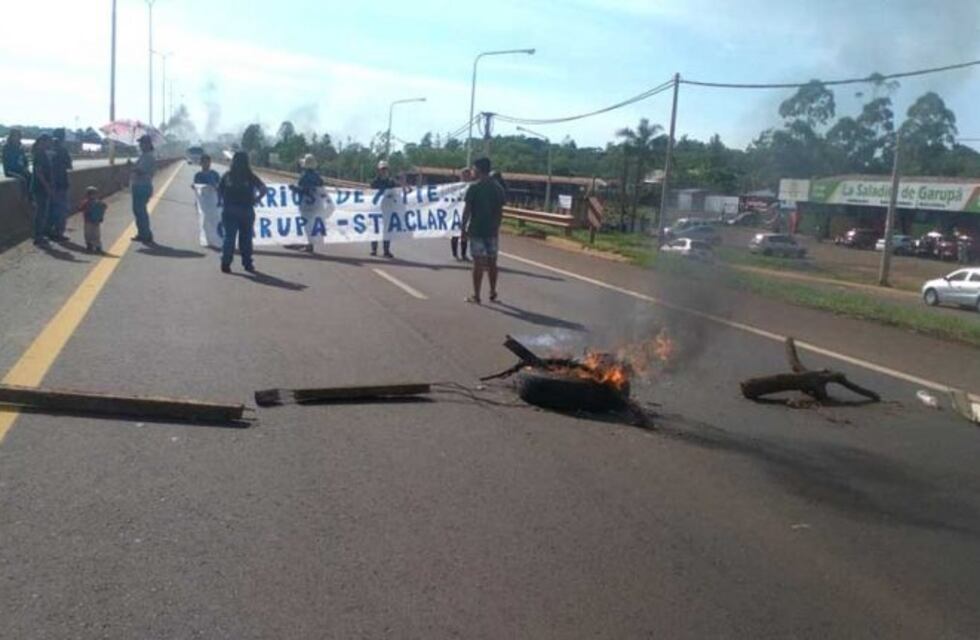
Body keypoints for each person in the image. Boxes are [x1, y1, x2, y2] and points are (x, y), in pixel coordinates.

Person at [461, 157, 505, 304]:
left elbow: (467, 211)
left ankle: (476, 295)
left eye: (473, 169)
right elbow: (500, 211)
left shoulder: (474, 188)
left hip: (477, 231)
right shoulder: (498, 188)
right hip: (492, 231)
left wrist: (463, 230)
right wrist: (496, 226)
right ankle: (492, 291)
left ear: (478, 170)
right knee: (492, 263)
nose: (472, 172)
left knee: (478, 263)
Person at [217, 151, 266, 273]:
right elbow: (263, 189)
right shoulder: (250, 176)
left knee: (229, 238)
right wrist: (256, 199)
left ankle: (226, 263)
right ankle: (247, 264)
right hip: (247, 211)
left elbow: (219, 190)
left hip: (229, 211)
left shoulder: (227, 175)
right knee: (246, 239)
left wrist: (224, 200)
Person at [294, 153, 324, 253]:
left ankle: (309, 244)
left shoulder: (304, 176)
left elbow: (303, 189)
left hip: (306, 205)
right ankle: (310, 243)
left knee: (307, 225)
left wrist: (294, 189)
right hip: (316, 204)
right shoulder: (317, 176)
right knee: (311, 223)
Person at [47, 128, 73, 241]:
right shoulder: (62, 150)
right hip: (61, 182)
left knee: (51, 209)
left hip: (49, 183)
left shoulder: (47, 149)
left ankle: (49, 231)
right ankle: (59, 233)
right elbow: (69, 165)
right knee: (62, 209)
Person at [130, 134, 156, 244]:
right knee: (139, 211)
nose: (140, 145)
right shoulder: (145, 155)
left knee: (140, 211)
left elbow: (141, 171)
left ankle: (145, 234)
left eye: (142, 143)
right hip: (140, 185)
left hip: (142, 186)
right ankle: (142, 233)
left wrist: (132, 168)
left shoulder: (148, 156)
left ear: (148, 144)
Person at [29, 135, 53, 247]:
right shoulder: (39, 154)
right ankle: (38, 237)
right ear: (43, 142)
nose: (50, 144)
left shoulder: (41, 153)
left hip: (41, 187)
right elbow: (39, 172)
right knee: (41, 213)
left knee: (42, 212)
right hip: (40, 187)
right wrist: (47, 186)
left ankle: (39, 235)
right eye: (48, 142)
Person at [370, 160, 396, 258]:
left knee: (387, 230)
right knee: (375, 229)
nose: (384, 171)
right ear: (378, 170)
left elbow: (396, 193)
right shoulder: (374, 182)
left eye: (385, 169)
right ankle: (374, 249)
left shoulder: (391, 182)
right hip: (376, 210)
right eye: (382, 169)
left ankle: (386, 250)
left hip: (387, 209)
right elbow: (369, 194)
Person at [2, 128, 31, 201]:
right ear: (11, 137)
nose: (17, 138)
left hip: (19, 169)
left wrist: (25, 167)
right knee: (23, 179)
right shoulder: (7, 147)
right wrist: (21, 169)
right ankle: (25, 198)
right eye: (15, 136)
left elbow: (24, 160)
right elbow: (9, 163)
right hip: (10, 170)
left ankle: (31, 197)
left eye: (18, 136)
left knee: (31, 176)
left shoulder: (20, 147)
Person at [451, 166, 472, 261]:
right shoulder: (455, 187)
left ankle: (464, 254)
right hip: (456, 213)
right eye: (465, 175)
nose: (467, 177)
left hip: (467, 213)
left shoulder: (472, 187)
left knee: (465, 234)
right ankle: (455, 254)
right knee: (455, 233)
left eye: (468, 175)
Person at [77, 186, 106, 254]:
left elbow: (80, 209)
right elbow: (104, 207)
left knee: (89, 234)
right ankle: (97, 246)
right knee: (95, 234)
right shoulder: (99, 202)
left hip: (88, 221)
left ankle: (90, 245)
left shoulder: (86, 202)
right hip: (95, 221)